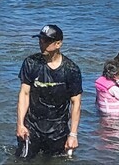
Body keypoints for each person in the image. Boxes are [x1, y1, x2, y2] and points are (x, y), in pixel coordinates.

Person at [16, 24, 82, 159]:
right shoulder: (31, 63)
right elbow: (24, 94)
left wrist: (73, 134)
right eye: (40, 40)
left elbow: (76, 103)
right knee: (22, 160)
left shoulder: (71, 70)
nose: (41, 44)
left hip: (57, 129)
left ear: (58, 44)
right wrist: (20, 124)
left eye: (46, 41)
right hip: (32, 126)